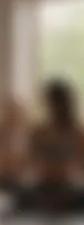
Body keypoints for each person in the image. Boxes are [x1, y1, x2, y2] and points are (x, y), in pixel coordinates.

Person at [16, 80, 84, 213]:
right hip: (42, 184)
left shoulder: (76, 132)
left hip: (68, 185)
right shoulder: (38, 132)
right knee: (19, 195)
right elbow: (28, 161)